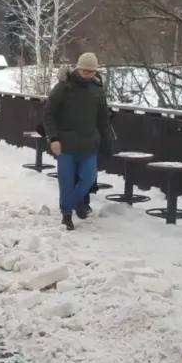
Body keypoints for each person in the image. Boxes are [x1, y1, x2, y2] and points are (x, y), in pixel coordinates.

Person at [43, 52, 113, 231]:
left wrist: (108, 140)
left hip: (89, 144)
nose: (88, 75)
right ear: (78, 68)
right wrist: (53, 138)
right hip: (65, 145)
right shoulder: (63, 87)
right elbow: (48, 114)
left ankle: (76, 202)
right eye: (84, 71)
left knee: (89, 178)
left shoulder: (97, 90)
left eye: (91, 72)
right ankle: (66, 214)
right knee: (66, 182)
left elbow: (104, 119)